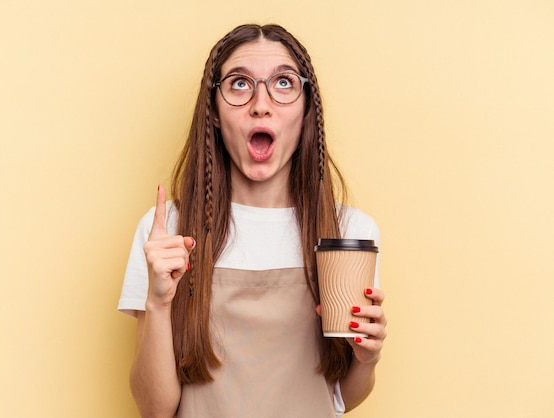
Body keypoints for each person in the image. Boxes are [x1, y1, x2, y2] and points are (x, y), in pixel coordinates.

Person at [118, 23, 387, 418]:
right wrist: (159, 303)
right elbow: (154, 409)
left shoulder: (347, 235)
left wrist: (367, 358)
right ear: (212, 111)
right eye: (240, 84)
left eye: (283, 83)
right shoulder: (167, 232)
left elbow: (341, 398)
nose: (261, 103)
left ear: (307, 109)